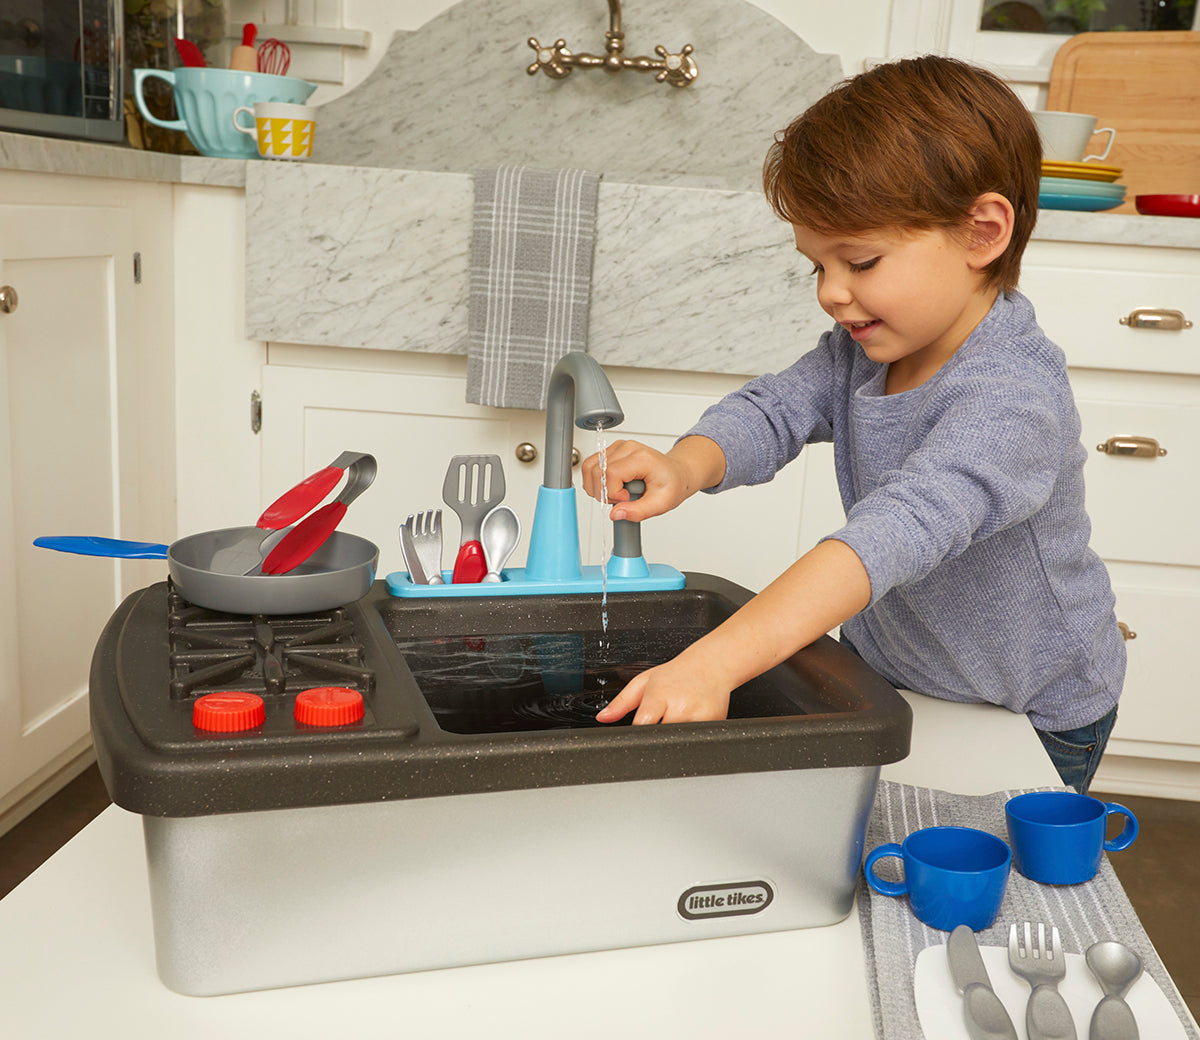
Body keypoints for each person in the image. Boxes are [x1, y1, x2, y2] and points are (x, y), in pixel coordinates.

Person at [580, 55, 1125, 794]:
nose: (833, 294)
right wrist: (688, 465)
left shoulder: (1011, 395)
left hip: (1029, 708)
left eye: (860, 261)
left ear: (982, 233)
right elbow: (774, 409)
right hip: (895, 669)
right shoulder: (863, 350)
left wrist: (714, 661)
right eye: (817, 266)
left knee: (976, 875)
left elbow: (893, 531)